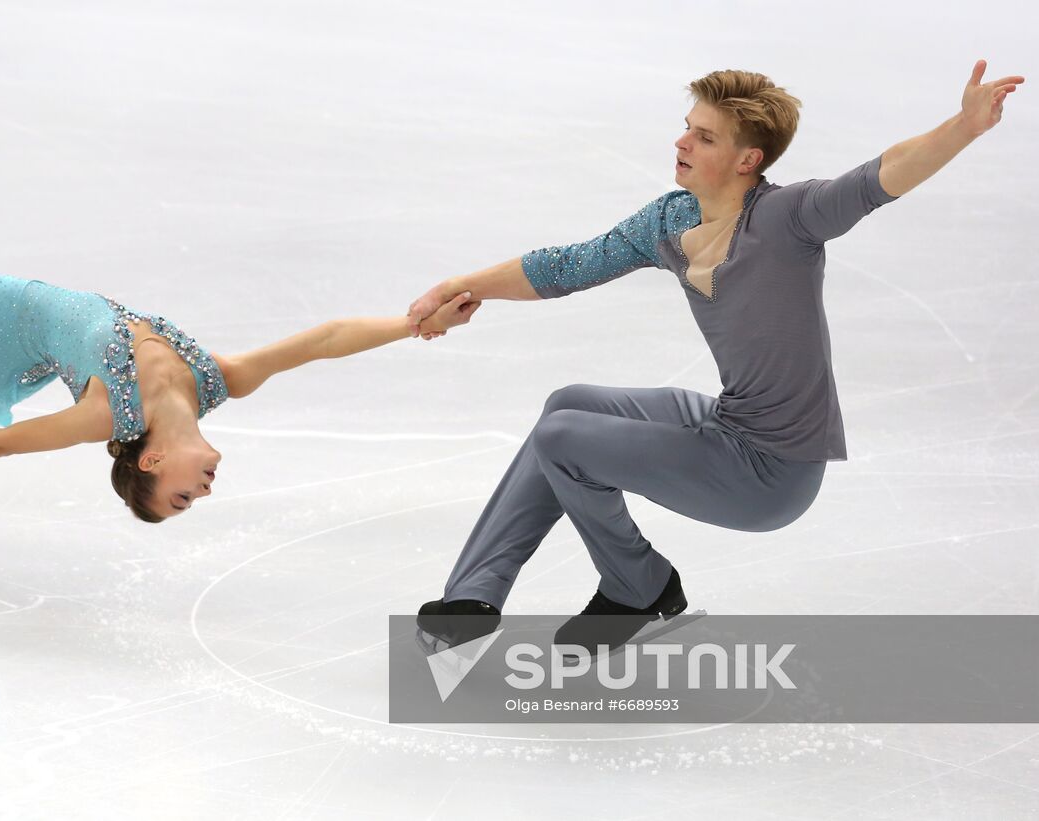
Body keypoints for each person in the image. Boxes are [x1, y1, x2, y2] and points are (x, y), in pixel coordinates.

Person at [406, 62, 1023, 656]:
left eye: (704, 137)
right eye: (688, 127)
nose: (682, 142)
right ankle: (472, 599)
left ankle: (637, 585)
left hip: (771, 474)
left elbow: (877, 178)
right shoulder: (672, 221)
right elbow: (567, 266)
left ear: (747, 160)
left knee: (566, 437)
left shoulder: (789, 218)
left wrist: (964, 126)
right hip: (729, 426)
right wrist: (459, 288)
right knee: (567, 405)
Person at [0, 123, 480, 536]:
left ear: (153, 458)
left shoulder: (110, 414)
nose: (200, 495)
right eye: (189, 504)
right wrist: (414, 325)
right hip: (13, 340)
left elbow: (2, 445)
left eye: (175, 499)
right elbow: (325, 338)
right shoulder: (216, 383)